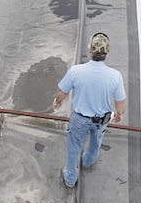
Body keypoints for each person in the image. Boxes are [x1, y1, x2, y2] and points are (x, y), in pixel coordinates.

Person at [52, 33, 126, 188]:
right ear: (107, 53)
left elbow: (62, 92)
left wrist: (57, 102)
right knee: (96, 140)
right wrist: (120, 114)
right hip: (102, 119)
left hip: (80, 119)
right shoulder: (115, 76)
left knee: (74, 146)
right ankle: (89, 160)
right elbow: (120, 102)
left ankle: (70, 178)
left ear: (90, 50)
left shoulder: (76, 71)